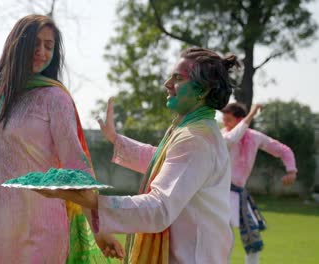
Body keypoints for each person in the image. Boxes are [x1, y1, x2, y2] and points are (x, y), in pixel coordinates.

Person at [0, 14, 122, 263]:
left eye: (49, 46)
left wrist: (99, 229)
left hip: (38, 229)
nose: (42, 52)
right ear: (18, 44)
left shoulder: (55, 98)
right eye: (35, 44)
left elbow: (76, 167)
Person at [37, 47, 241, 264]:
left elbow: (159, 209)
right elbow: (165, 164)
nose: (168, 84)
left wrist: (94, 201)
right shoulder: (195, 129)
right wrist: (117, 140)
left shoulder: (196, 139)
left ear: (202, 90)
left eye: (178, 78)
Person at [221, 102, 297, 264]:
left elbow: (283, 150)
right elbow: (233, 137)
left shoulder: (254, 137)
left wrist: (291, 170)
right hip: (220, 194)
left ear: (240, 119)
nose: (224, 123)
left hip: (239, 194)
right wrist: (253, 112)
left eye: (228, 120)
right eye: (223, 119)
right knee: (223, 240)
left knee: (253, 242)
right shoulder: (222, 136)